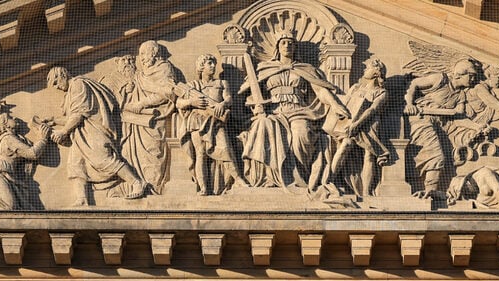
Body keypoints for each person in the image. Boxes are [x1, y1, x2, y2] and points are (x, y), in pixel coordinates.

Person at [239, 27, 351, 190]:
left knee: (301, 134)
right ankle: (271, 178)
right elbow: (249, 93)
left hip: (299, 110)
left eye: (291, 43)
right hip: (274, 111)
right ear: (278, 47)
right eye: (283, 43)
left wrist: (335, 104)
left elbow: (320, 90)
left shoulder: (305, 69)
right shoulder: (265, 68)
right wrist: (255, 106)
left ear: (295, 47)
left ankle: (298, 180)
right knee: (263, 126)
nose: (287, 46)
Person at [45, 65, 145, 205]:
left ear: (63, 75)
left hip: (93, 131)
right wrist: (54, 121)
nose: (56, 87)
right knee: (76, 165)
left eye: (56, 82)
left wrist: (64, 131)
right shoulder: (71, 91)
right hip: (80, 135)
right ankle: (82, 199)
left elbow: (79, 114)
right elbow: (73, 117)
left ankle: (136, 182)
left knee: (104, 160)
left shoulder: (78, 84)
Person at [403, 58, 488, 200]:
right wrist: (409, 103)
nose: (473, 79)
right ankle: (430, 192)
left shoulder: (460, 95)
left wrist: (477, 126)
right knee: (437, 156)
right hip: (420, 120)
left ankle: (430, 192)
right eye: (471, 75)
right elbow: (414, 84)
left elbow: (458, 117)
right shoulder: (440, 79)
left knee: (440, 157)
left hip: (437, 125)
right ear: (459, 74)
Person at [119, 41, 185, 194]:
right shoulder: (141, 74)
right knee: (130, 152)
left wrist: (142, 103)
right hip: (137, 121)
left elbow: (168, 92)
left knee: (153, 152)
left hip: (155, 120)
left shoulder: (164, 68)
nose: (141, 58)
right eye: (140, 54)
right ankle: (137, 185)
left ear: (154, 53)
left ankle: (153, 189)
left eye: (143, 53)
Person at [176, 54, 246, 195]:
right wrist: (192, 102)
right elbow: (179, 103)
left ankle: (238, 179)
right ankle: (203, 187)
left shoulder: (221, 83)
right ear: (201, 66)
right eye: (210, 63)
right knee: (200, 153)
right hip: (197, 121)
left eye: (214, 63)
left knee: (225, 149)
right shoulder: (192, 86)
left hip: (216, 121)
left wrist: (223, 104)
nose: (213, 66)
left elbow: (229, 98)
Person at [325, 57, 394, 197]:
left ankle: (366, 192)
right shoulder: (356, 88)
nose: (364, 70)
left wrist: (357, 124)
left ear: (376, 72)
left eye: (368, 68)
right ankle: (328, 181)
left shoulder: (381, 92)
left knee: (369, 154)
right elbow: (345, 103)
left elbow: (372, 110)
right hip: (351, 124)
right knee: (345, 144)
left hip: (369, 126)